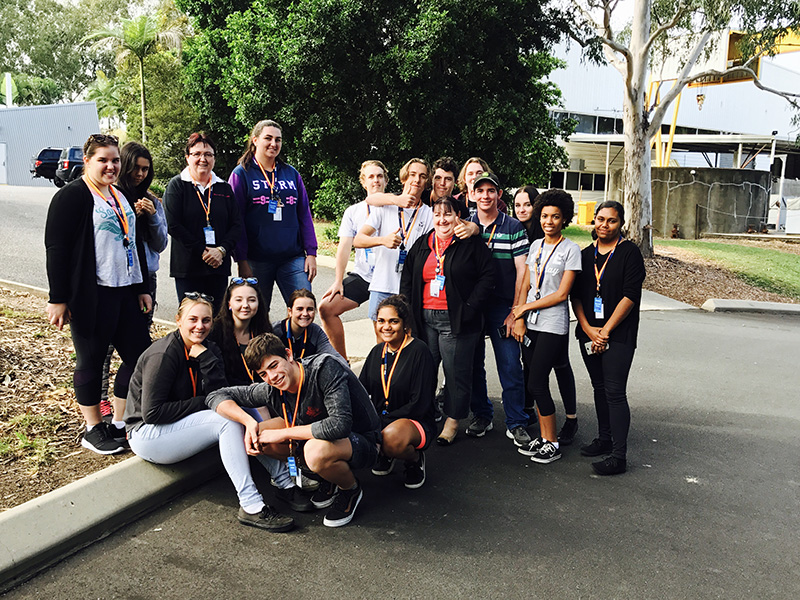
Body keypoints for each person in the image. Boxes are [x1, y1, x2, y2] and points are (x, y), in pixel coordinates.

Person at [124, 295, 297, 532]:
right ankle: (251, 505)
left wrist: (206, 359)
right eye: (192, 319)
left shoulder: (207, 348)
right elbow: (153, 413)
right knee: (225, 420)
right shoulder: (163, 354)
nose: (200, 326)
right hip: (147, 434)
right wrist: (204, 402)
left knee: (236, 406)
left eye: (206, 320)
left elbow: (222, 394)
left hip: (181, 424)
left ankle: (285, 482)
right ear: (178, 321)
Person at [45, 133, 152, 455]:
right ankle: (93, 428)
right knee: (91, 361)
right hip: (91, 294)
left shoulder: (118, 195)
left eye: (115, 160)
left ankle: (119, 422)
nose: (111, 166)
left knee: (140, 358)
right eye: (103, 160)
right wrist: (58, 298)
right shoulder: (73, 197)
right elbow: (57, 249)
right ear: (87, 161)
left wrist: (143, 287)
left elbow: (134, 243)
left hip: (126, 291)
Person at [206, 333, 382, 528]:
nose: (272, 377)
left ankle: (349, 488)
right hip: (319, 439)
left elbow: (339, 425)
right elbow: (216, 395)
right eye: (263, 374)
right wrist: (248, 422)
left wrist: (283, 433)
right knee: (259, 436)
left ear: (288, 355)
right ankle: (328, 476)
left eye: (273, 365)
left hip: (362, 443)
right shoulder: (271, 388)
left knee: (315, 452)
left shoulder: (324, 368)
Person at [400, 197, 494, 445]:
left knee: (455, 374)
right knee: (424, 371)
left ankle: (452, 421)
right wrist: (407, 314)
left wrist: (471, 307)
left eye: (448, 214)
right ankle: (425, 415)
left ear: (459, 216)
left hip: (457, 321)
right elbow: (408, 278)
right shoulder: (423, 243)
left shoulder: (470, 243)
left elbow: (488, 275)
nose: (442, 219)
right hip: (424, 320)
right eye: (438, 214)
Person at [571, 201, 646, 475]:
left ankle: (619, 455)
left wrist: (605, 331)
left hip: (619, 335)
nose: (604, 225)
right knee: (598, 387)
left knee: (614, 392)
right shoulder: (584, 255)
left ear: (621, 223)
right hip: (589, 332)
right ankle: (604, 439)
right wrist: (589, 328)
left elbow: (630, 296)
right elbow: (575, 295)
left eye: (611, 220)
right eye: (600, 219)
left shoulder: (629, 253)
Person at [99, 141, 168, 420]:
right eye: (136, 168)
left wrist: (150, 218)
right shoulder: (110, 200)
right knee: (104, 348)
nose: (140, 175)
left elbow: (161, 243)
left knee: (138, 345)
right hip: (114, 280)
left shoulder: (153, 201)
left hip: (145, 280)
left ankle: (128, 401)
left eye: (146, 170)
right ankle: (100, 399)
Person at [511, 190, 581, 464]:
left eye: (555, 217)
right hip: (531, 323)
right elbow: (526, 285)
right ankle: (543, 436)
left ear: (564, 219)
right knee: (534, 379)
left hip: (553, 324)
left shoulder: (570, 250)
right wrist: (519, 317)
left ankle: (552, 442)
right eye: (544, 216)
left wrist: (525, 308)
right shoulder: (536, 245)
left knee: (537, 382)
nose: (548, 221)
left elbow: (562, 294)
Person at [467, 172, 530, 446]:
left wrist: (516, 311)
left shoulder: (513, 226)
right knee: (472, 365)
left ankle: (516, 422)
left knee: (510, 365)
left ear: (499, 195)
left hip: (503, 305)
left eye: (490, 191)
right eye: (479, 190)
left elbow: (522, 271)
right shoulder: (465, 224)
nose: (485, 196)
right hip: (473, 307)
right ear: (472, 195)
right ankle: (482, 414)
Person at [229, 119, 317, 306]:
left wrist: (311, 252)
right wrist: (241, 259)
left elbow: (304, 214)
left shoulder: (291, 173)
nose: (273, 144)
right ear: (255, 140)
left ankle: (294, 337)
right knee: (256, 314)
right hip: (256, 260)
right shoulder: (241, 174)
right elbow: (237, 220)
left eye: (278, 140)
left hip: (293, 258)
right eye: (268, 138)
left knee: (303, 309)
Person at [359, 296, 436, 487]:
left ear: (404, 324)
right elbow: (360, 391)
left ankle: (414, 459)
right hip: (382, 421)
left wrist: (378, 425)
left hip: (414, 421)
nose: (386, 327)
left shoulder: (420, 351)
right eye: (381, 321)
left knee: (391, 438)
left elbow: (420, 404)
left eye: (393, 321)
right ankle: (386, 452)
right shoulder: (378, 352)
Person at [163, 132, 243, 313]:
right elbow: (173, 225)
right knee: (192, 319)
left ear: (214, 158)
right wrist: (203, 251)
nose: (202, 159)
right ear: (187, 157)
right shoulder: (177, 186)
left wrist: (221, 251)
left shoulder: (224, 187)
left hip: (218, 267)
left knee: (217, 321)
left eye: (208, 154)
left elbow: (236, 225)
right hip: (188, 268)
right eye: (197, 154)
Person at [319, 160, 388, 360]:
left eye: (380, 176)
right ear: (363, 182)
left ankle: (383, 373)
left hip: (386, 278)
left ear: (385, 181)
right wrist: (338, 281)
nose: (376, 180)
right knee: (326, 307)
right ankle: (342, 364)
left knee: (381, 327)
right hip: (363, 276)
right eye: (371, 177)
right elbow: (344, 247)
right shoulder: (354, 211)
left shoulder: (395, 208)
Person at [354, 158, 435, 322]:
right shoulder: (386, 206)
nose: (417, 180)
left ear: (427, 182)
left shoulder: (429, 214)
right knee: (382, 340)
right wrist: (382, 240)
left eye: (422, 176)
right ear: (404, 177)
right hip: (382, 285)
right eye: (412, 174)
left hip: (410, 288)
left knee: (408, 339)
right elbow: (358, 240)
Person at [208, 277, 271, 387]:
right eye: (238, 300)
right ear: (229, 304)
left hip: (261, 393)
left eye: (251, 300)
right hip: (228, 394)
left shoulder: (265, 330)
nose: (245, 305)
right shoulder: (215, 332)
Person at [273, 289, 343, 363]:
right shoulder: (274, 331)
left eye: (310, 309)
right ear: (290, 311)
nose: (305, 313)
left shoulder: (316, 332)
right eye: (300, 309)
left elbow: (334, 357)